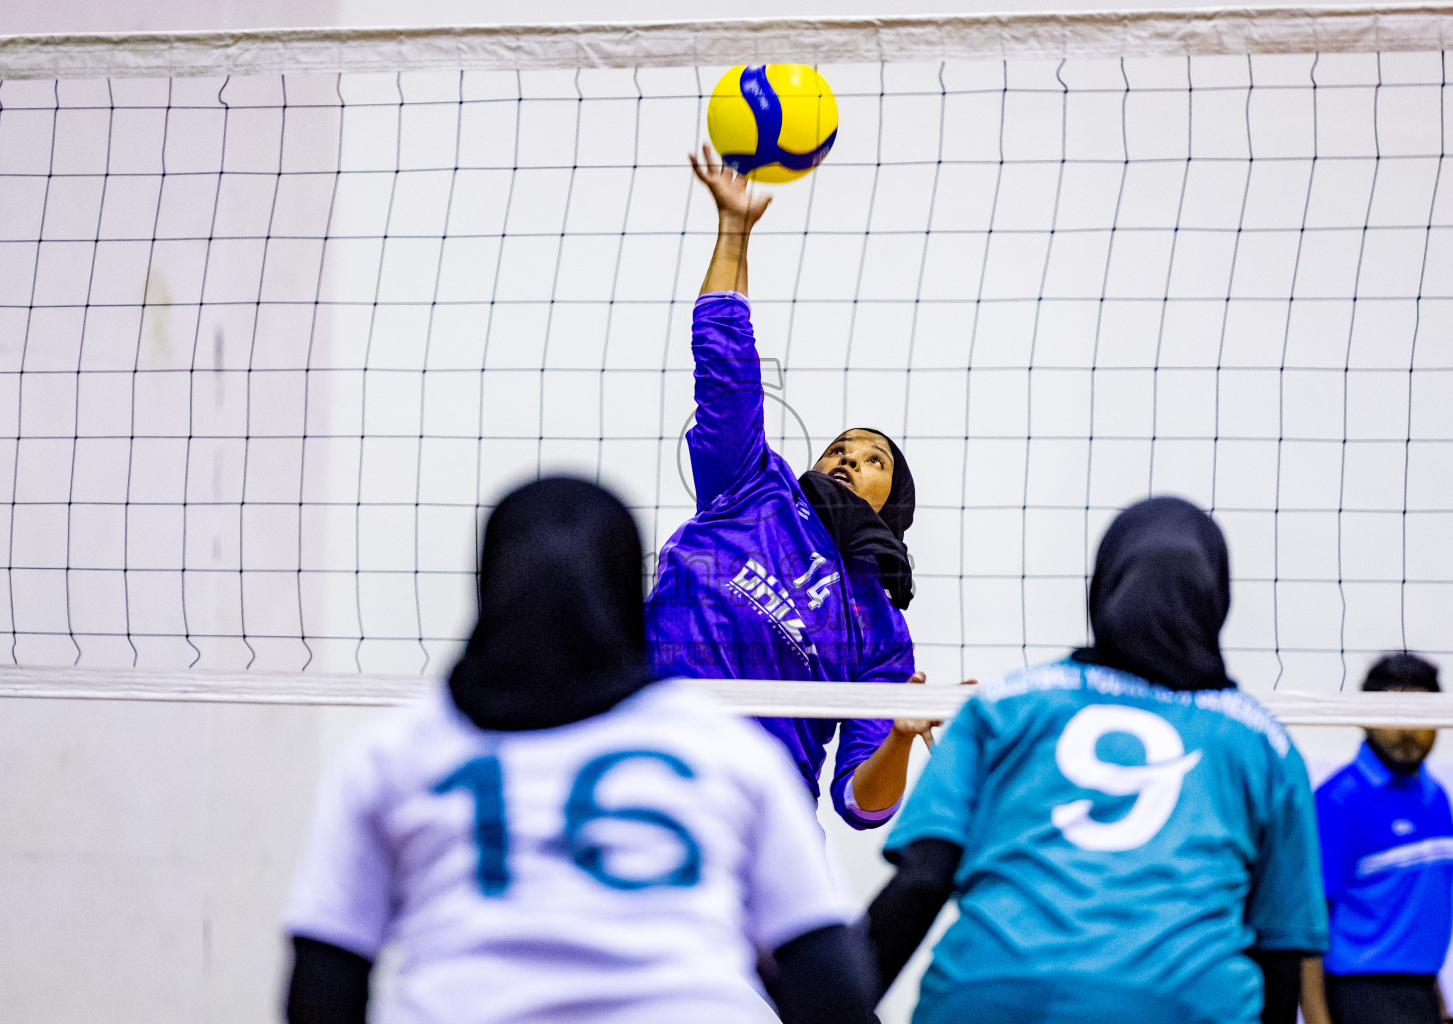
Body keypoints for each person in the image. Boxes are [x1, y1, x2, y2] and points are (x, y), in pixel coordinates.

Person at [282, 477, 877, 1024]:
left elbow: (322, 983)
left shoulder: (393, 753)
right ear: (625, 595)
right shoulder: (728, 751)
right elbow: (831, 983)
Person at [859, 496, 1329, 1024]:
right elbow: (1282, 950)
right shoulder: (1264, 743)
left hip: (990, 995)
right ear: (1216, 596)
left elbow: (920, 882)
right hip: (1183, 1002)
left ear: (1104, 584)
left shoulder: (1004, 705)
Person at [646, 144, 930, 831]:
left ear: (891, 505)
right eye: (840, 447)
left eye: (872, 460)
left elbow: (863, 806)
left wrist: (897, 735)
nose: (848, 458)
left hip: (756, 822)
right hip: (645, 765)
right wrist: (734, 232)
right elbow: (725, 364)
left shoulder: (883, 635)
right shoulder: (753, 486)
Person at [1299, 653, 1453, 1024]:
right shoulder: (1339, 801)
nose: (1408, 731)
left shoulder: (1437, 800)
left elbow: (1412, 921)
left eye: (1420, 717)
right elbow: (1308, 926)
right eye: (1393, 714)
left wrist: (1442, 1009)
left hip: (1421, 996)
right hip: (1360, 997)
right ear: (1364, 716)